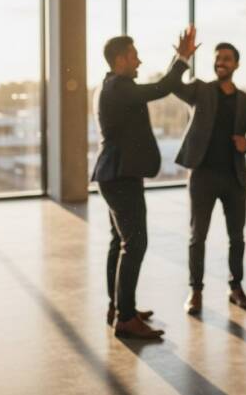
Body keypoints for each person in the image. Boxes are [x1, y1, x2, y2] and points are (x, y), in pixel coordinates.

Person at [92, 34, 192, 339]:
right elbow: (162, 88)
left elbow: (157, 87)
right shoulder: (120, 87)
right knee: (134, 244)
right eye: (134, 55)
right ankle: (125, 318)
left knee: (119, 243)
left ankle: (119, 307)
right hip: (120, 177)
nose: (139, 60)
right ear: (120, 59)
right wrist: (183, 59)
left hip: (115, 175)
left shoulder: (108, 85)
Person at [168, 28, 246, 315]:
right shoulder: (200, 89)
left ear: (236, 64)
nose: (221, 61)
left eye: (227, 58)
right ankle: (195, 291)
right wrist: (181, 57)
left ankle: (236, 288)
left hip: (234, 177)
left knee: (237, 238)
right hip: (203, 176)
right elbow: (172, 84)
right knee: (198, 236)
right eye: (218, 57)